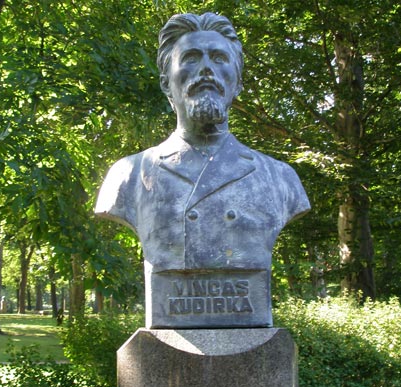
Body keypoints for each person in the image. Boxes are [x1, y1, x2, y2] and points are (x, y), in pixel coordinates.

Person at [95, 13, 310, 327]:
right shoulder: (128, 174)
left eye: (219, 58)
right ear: (166, 82)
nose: (206, 69)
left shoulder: (279, 178)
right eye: (191, 58)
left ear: (237, 83)